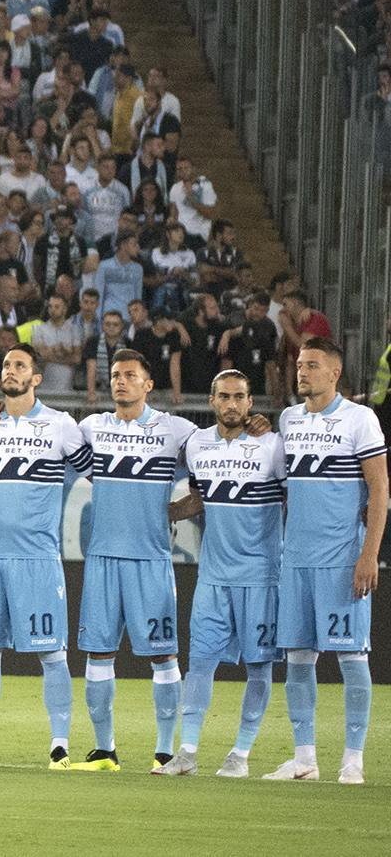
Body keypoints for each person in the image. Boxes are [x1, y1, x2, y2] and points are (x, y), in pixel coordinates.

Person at [0, 342, 86, 766]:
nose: (10, 370)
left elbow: (96, 468)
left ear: (36, 378)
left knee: (51, 653)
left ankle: (59, 744)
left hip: (38, 559)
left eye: (20, 365)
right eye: (7, 364)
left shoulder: (62, 426)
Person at [266, 335, 384, 783]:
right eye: (300, 364)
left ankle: (352, 759)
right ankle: (304, 759)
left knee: (352, 657)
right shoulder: (289, 419)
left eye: (312, 365)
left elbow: (379, 490)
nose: (302, 371)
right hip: (295, 560)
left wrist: (368, 554)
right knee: (298, 658)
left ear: (334, 372)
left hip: (341, 560)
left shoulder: (361, 419)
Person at [75, 349, 194, 771]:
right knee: (98, 654)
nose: (120, 381)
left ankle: (164, 750)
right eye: (114, 375)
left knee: (163, 656)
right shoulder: (91, 428)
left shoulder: (175, 430)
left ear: (148, 384)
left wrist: (176, 510)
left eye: (129, 375)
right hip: (103, 557)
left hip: (151, 559)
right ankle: (104, 749)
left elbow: (218, 455)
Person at [174, 368, 283, 776]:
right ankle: (186, 753)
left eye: (240, 397)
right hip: (213, 577)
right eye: (224, 396)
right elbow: (197, 500)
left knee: (259, 666)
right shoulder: (198, 446)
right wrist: (165, 513)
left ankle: (241, 753)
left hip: (260, 578)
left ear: (251, 403)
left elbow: (296, 499)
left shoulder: (273, 447)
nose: (232, 404)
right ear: (212, 402)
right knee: (200, 662)